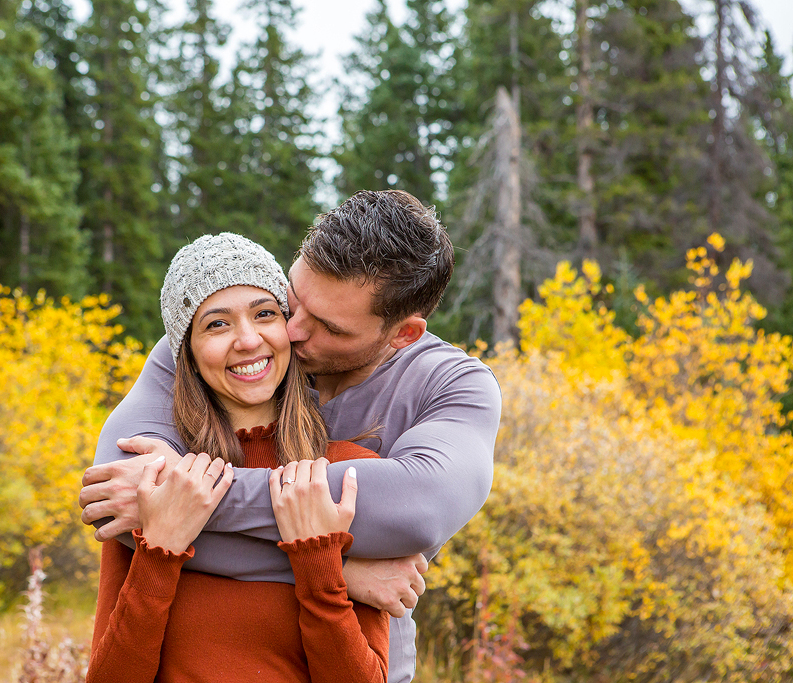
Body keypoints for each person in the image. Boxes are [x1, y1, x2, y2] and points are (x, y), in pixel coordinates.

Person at [80, 190, 502, 683]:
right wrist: (337, 569)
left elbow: (417, 509)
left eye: (326, 326)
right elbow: (117, 497)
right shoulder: (229, 348)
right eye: (293, 300)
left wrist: (187, 500)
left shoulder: (453, 386)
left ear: (402, 334)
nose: (291, 330)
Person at [88, 232, 389, 682]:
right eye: (217, 324)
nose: (248, 340)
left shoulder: (346, 473)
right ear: (185, 354)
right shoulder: (154, 485)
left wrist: (320, 563)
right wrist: (160, 553)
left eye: (265, 314)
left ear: (290, 327)